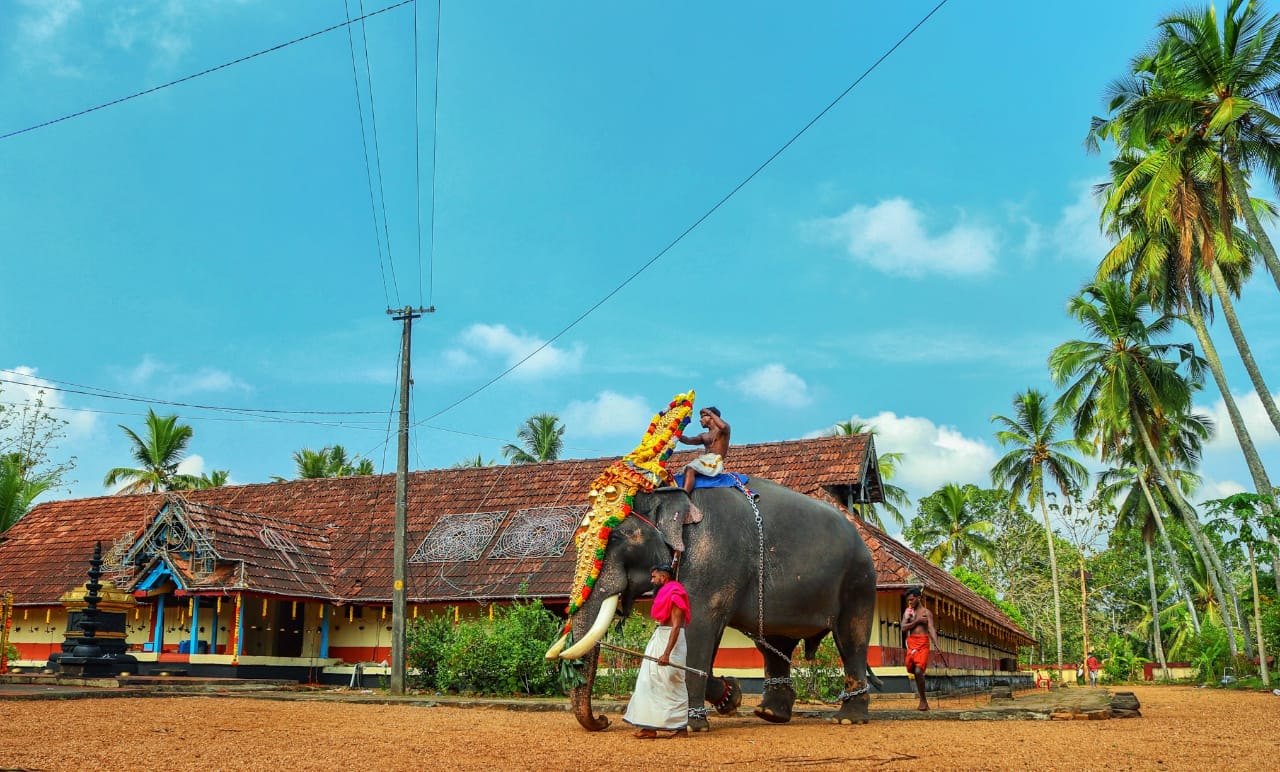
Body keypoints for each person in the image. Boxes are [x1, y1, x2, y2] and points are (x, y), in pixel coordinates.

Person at [624, 564, 691, 739]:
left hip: (672, 642)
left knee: (673, 681)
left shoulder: (676, 595)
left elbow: (676, 627)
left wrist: (667, 653)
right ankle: (649, 727)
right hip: (660, 637)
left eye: (654, 577)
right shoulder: (664, 594)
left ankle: (680, 727)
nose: (652, 581)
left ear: (664, 577)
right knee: (648, 681)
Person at [902, 587, 943, 711]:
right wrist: (917, 621)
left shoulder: (926, 613)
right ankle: (922, 698)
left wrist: (937, 644)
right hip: (912, 642)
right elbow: (903, 628)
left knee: (919, 671)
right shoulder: (908, 612)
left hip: (923, 643)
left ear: (918, 598)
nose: (910, 603)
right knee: (913, 670)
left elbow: (931, 628)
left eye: (912, 600)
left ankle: (923, 700)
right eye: (908, 601)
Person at [676, 406, 730, 495]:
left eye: (702, 417)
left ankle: (684, 495)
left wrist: (709, 412)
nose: (700, 420)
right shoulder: (704, 435)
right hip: (704, 459)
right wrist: (675, 432)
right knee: (681, 473)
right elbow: (688, 440)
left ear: (711, 417)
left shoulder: (723, 431)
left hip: (715, 461)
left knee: (690, 469)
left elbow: (723, 426)